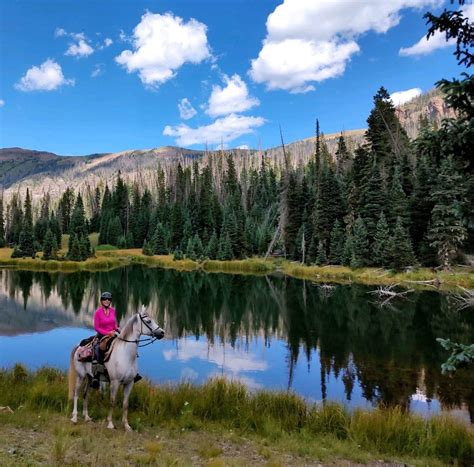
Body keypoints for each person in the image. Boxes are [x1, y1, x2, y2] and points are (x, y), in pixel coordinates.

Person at [91, 291, 119, 389]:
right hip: (102, 335)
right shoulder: (98, 312)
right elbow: (96, 327)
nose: (107, 301)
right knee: (98, 348)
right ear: (101, 301)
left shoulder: (113, 311)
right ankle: (96, 375)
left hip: (113, 334)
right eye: (104, 299)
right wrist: (107, 333)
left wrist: (117, 329)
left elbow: (114, 324)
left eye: (109, 299)